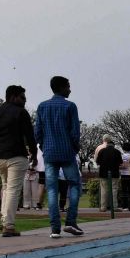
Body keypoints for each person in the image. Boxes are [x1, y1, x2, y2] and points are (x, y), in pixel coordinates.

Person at [0, 85, 39, 234]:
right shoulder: (21, 112)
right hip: (16, 155)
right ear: (13, 97)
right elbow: (30, 136)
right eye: (22, 97)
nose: (25, 100)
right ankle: (8, 225)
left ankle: (4, 220)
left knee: (6, 188)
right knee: (13, 190)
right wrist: (34, 155)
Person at [34, 76, 83, 238]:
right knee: (75, 185)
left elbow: (38, 132)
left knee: (52, 189)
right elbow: (75, 132)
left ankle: (55, 228)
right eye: (68, 86)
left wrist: (43, 146)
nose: (70, 89)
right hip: (67, 152)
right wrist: (75, 148)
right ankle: (70, 221)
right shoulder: (70, 106)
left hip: (49, 153)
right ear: (62, 88)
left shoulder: (42, 106)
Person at [95, 138, 122, 212]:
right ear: (113, 145)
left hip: (103, 173)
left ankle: (103, 207)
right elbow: (120, 162)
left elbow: (97, 162)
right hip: (114, 173)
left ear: (106, 145)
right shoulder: (117, 152)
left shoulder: (101, 151)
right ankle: (114, 207)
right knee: (114, 190)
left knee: (104, 190)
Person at [118, 143, 130, 210]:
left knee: (124, 191)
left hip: (123, 175)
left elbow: (120, 165)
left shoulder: (122, 156)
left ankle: (124, 206)